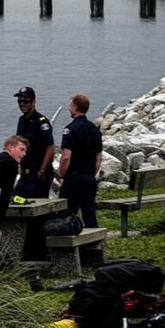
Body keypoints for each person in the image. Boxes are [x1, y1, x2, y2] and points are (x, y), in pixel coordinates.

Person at [58, 94, 103, 228]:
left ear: (75, 107)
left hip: (74, 178)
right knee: (89, 213)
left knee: (65, 215)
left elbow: (66, 156)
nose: (69, 108)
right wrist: (90, 173)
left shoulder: (70, 129)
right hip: (89, 178)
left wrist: (61, 174)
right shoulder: (94, 130)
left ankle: (66, 247)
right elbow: (99, 158)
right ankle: (94, 246)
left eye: (70, 105)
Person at [13, 87, 55, 199]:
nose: (22, 104)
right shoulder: (21, 121)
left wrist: (42, 170)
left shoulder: (41, 122)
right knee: (16, 200)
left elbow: (50, 148)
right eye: (19, 101)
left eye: (25, 101)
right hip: (25, 173)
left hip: (39, 173)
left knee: (36, 207)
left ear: (33, 102)